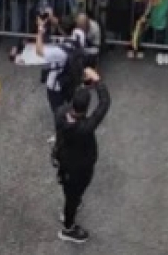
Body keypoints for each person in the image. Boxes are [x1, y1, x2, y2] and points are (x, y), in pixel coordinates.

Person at [56, 66, 111, 244]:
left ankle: (70, 208)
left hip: (65, 161)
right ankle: (68, 227)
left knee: (69, 191)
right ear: (86, 108)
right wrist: (98, 81)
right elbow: (104, 103)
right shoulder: (85, 127)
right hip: (80, 168)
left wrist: (84, 86)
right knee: (74, 195)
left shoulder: (61, 113)